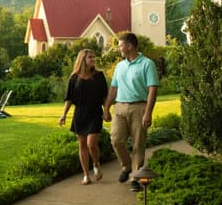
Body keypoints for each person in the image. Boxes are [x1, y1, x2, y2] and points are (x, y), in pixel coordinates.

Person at [102, 32, 159, 192]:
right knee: (116, 140)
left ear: (129, 46)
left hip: (139, 107)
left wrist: (148, 112)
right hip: (119, 107)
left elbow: (152, 89)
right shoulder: (120, 66)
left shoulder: (147, 64)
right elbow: (113, 88)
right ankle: (127, 167)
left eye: (120, 45)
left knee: (138, 144)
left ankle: (136, 177)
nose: (118, 49)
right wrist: (106, 108)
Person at [59, 49, 109, 185]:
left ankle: (96, 164)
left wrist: (106, 110)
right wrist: (63, 115)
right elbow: (69, 98)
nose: (93, 59)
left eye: (94, 57)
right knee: (82, 144)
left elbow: (105, 95)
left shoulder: (99, 75)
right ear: (83, 60)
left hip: (95, 112)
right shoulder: (74, 78)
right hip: (80, 113)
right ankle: (86, 175)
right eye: (90, 57)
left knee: (91, 143)